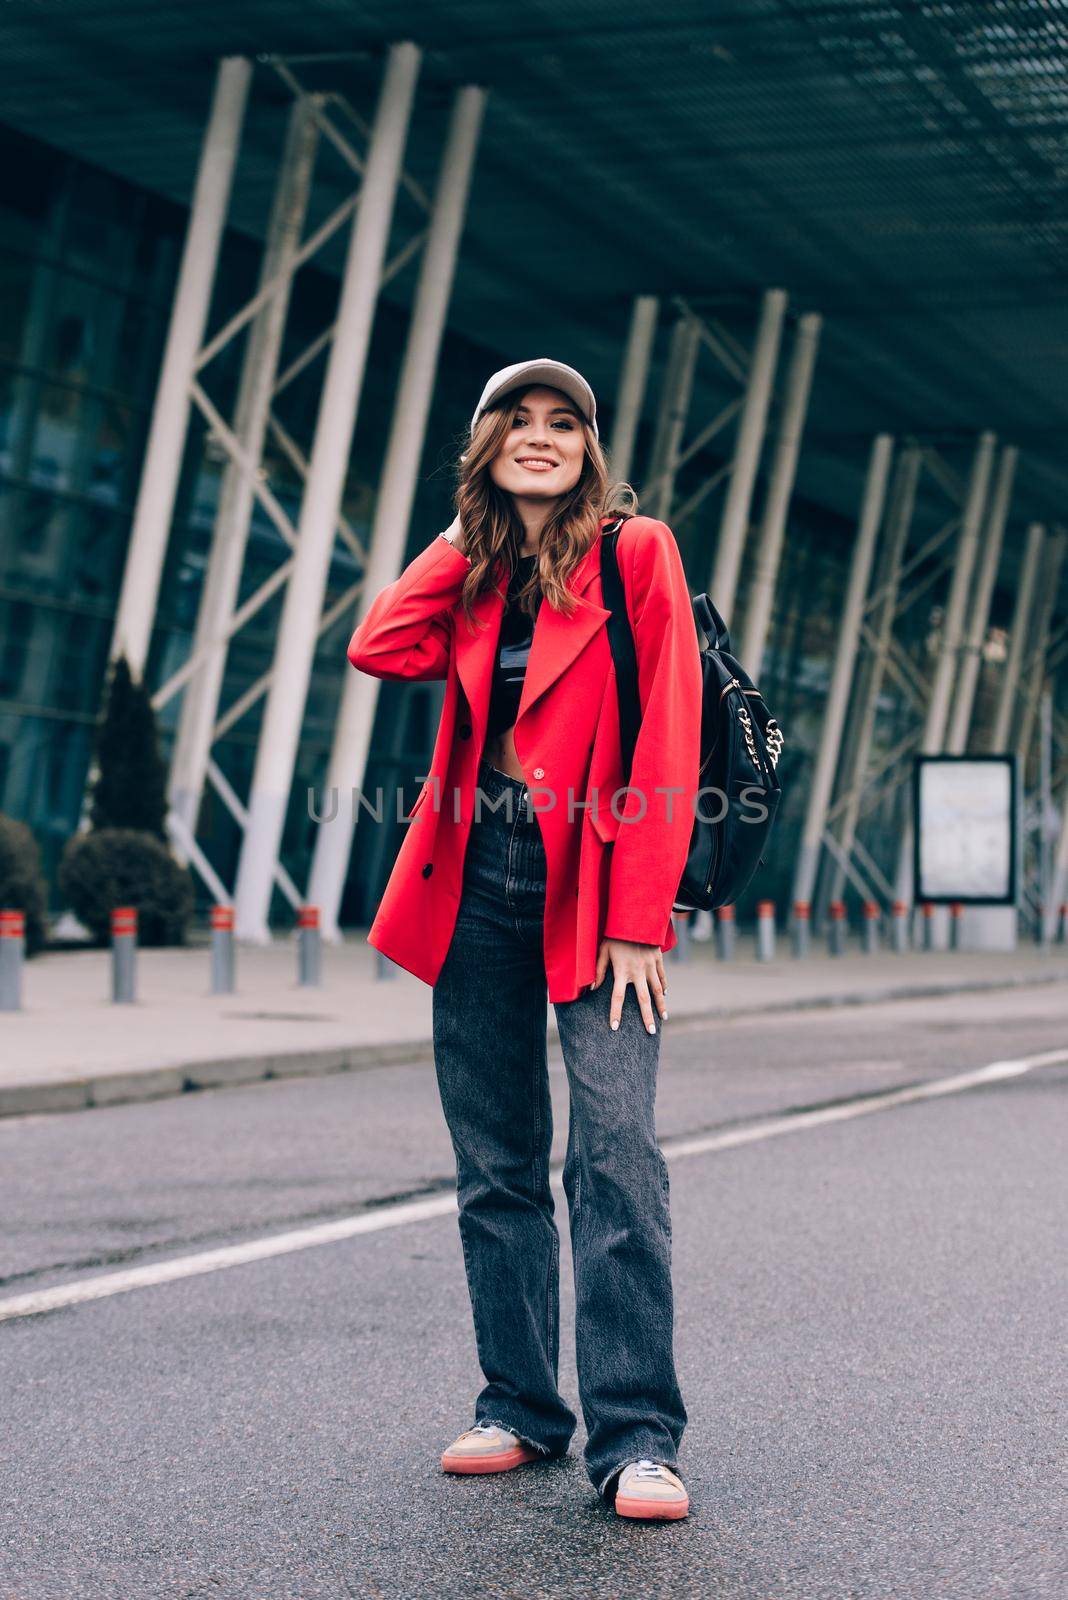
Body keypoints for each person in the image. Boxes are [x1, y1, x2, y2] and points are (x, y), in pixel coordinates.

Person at [347, 357, 702, 1521]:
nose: (542, 437)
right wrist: (467, 529)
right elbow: (378, 644)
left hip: (597, 882)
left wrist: (642, 917)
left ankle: (638, 1434)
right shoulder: (477, 569)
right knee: (496, 1161)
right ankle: (518, 1404)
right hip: (476, 878)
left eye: (564, 423)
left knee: (615, 1154)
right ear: (488, 440)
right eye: (519, 421)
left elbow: (668, 738)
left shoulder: (632, 552)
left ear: (591, 447)